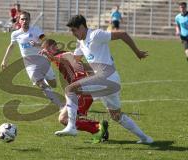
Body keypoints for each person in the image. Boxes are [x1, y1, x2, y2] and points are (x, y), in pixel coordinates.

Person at [55, 14, 153, 144]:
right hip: (109, 81)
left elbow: (123, 34)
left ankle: (71, 126)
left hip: (106, 77)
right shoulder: (81, 42)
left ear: (82, 27)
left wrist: (137, 52)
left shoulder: (96, 35)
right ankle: (145, 138)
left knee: (70, 89)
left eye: (74, 30)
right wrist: (56, 56)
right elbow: (77, 62)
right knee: (116, 116)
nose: (72, 33)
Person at [41, 39, 109, 143]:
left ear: (53, 48)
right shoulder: (67, 55)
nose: (45, 55)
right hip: (81, 91)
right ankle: (98, 128)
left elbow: (59, 59)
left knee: (64, 119)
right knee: (75, 118)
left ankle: (97, 129)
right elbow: (85, 68)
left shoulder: (64, 55)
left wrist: (50, 56)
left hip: (81, 92)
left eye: (46, 51)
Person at [1, 11, 63, 109]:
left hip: (42, 60)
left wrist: (37, 44)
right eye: (22, 19)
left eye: (26, 19)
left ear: (30, 20)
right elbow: (11, 46)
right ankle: (61, 106)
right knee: (41, 84)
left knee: (53, 84)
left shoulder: (36, 30)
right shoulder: (15, 34)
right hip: (29, 63)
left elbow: (47, 42)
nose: (25, 21)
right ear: (19, 21)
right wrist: (4, 61)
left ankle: (47, 84)